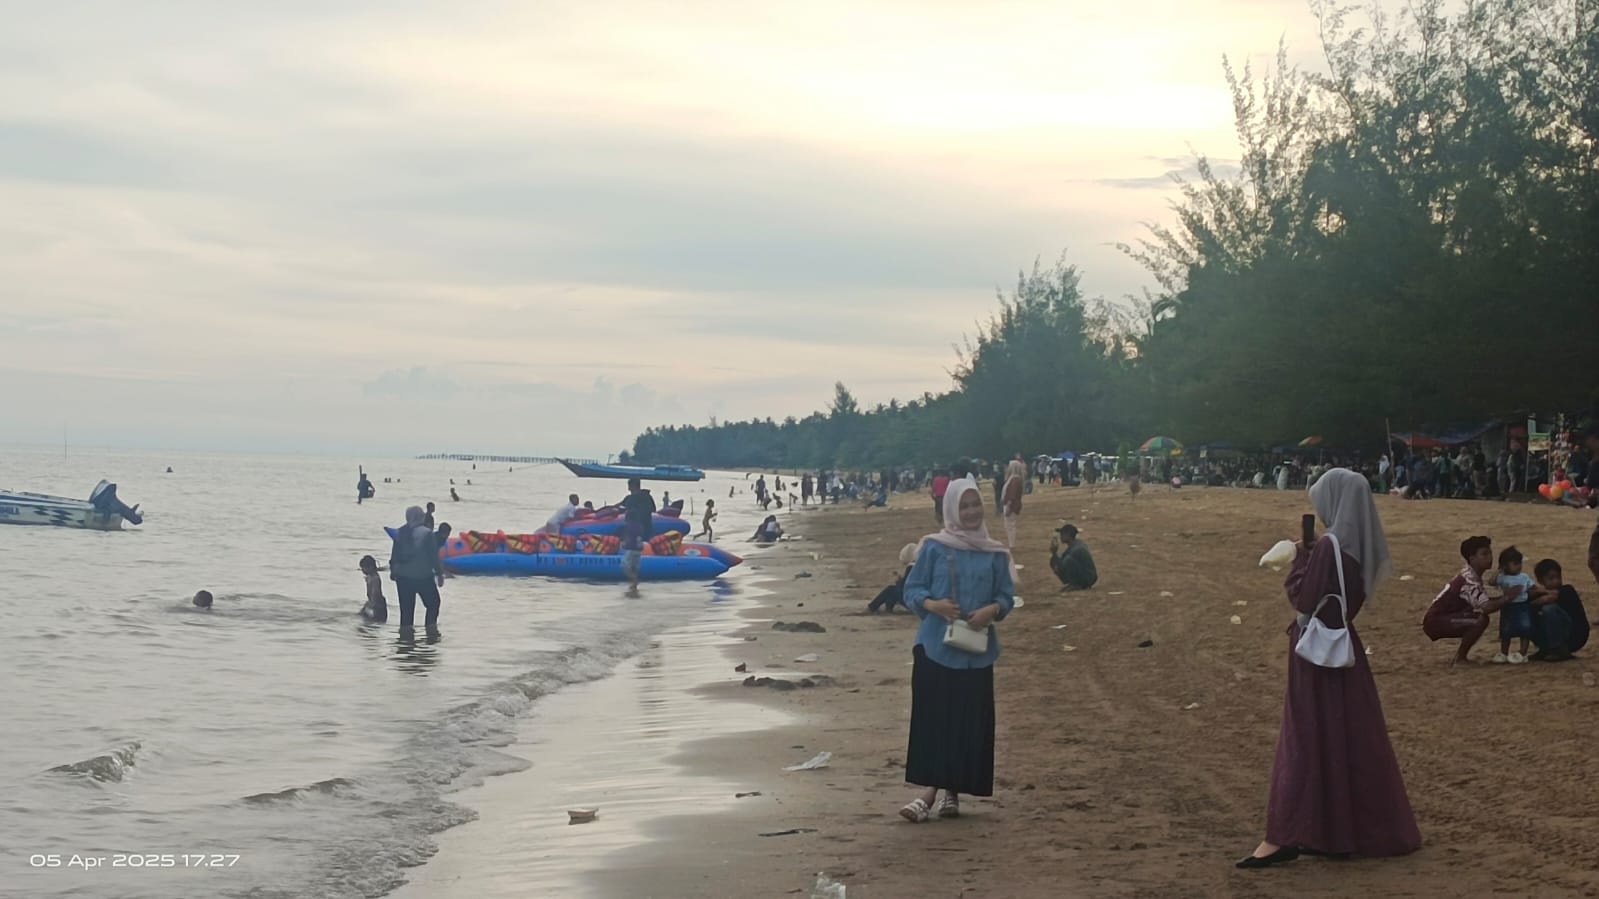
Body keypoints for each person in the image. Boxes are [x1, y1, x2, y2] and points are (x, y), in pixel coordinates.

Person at [1238, 468, 1420, 868]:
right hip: (1344, 646)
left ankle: (1287, 833)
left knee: (1305, 736)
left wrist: (1301, 558)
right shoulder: (1356, 547)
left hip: (1314, 652)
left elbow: (1302, 599)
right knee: (1349, 735)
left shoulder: (1328, 547)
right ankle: (1345, 832)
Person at [897, 479, 1016, 823]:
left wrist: (991, 611)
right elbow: (912, 589)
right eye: (963, 506)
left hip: (977, 652)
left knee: (967, 724)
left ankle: (952, 792)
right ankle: (929, 794)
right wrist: (934, 605)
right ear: (951, 509)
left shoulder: (994, 553)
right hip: (935, 647)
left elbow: (1006, 596)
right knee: (935, 722)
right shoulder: (934, 547)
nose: (970, 512)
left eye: (975, 504)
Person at [1422, 536, 1512, 664]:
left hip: (1438, 618)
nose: (1490, 557)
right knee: (1480, 620)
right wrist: (1509, 597)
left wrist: (1505, 598)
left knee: (1480, 618)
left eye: (1490, 553)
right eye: (1484, 554)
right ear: (1472, 558)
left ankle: (1461, 657)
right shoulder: (1469, 581)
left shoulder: (1469, 575)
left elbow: (1484, 602)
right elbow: (1487, 606)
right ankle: (1460, 658)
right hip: (1436, 621)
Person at [390, 505, 445, 636]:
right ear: (421, 517)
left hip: (403, 579)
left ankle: (405, 642)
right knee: (433, 604)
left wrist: (393, 572)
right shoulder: (427, 533)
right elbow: (433, 556)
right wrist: (439, 573)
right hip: (423, 577)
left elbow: (394, 556)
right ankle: (430, 632)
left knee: (406, 611)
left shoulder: (400, 533)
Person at [1529, 558, 1588, 660]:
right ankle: (1545, 648)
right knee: (1525, 611)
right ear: (1541, 580)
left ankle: (1559, 650)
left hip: (1574, 636)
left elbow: (1551, 597)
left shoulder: (1567, 590)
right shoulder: (1538, 595)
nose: (1556, 581)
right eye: (1551, 578)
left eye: (1558, 577)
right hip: (1552, 637)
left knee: (1549, 609)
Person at [1494, 546, 1536, 664]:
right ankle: (1504, 652)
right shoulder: (1502, 577)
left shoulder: (1524, 577)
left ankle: (1522, 652)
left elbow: (1533, 588)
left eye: (1519, 563)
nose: (1519, 566)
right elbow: (1491, 582)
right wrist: (1499, 570)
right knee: (1505, 631)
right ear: (1505, 565)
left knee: (1525, 629)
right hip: (1508, 606)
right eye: (1515, 563)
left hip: (1522, 606)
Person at [618, 478, 656, 597]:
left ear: (633, 485)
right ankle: (634, 585)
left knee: (626, 563)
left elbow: (621, 506)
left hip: (636, 530)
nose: (628, 487)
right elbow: (653, 509)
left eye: (629, 485)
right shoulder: (647, 496)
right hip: (645, 528)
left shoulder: (632, 498)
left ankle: (634, 581)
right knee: (636, 558)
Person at [868, 543, 918, 614]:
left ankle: (872, 607)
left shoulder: (912, 567)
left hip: (914, 601)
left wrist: (898, 581)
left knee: (890, 589)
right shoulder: (922, 565)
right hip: (921, 600)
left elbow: (904, 588)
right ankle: (888, 609)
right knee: (893, 590)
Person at [1049, 524, 1098, 591]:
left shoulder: (1076, 549)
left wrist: (1054, 553)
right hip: (1087, 576)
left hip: (1088, 578)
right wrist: (1054, 557)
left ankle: (1076, 585)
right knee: (1057, 562)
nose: (1060, 536)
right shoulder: (1074, 545)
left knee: (1068, 561)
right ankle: (1074, 583)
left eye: (1062, 534)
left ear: (1068, 535)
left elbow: (1062, 566)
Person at [1001, 457, 1026, 548]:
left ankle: (1012, 544)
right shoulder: (1017, 479)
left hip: (1011, 505)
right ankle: (1011, 543)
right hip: (1013, 504)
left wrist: (1008, 506)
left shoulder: (1014, 479)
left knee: (1010, 525)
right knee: (1010, 525)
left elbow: (1012, 494)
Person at [359, 555, 388, 623]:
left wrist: (370, 607)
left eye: (364, 568)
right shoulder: (370, 577)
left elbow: (375, 594)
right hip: (374, 605)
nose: (362, 570)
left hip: (378, 607)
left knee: (372, 623)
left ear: (371, 567)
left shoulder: (375, 579)